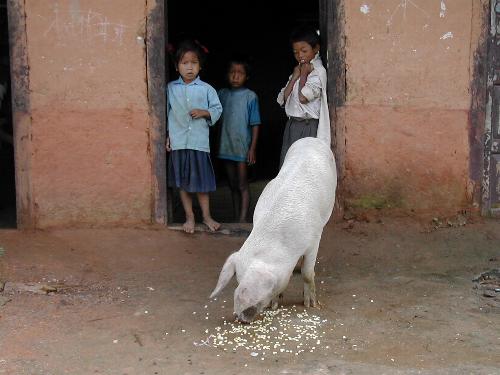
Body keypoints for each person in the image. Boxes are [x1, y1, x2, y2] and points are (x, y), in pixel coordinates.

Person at [166, 40, 223, 233]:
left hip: (199, 143)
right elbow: (165, 114)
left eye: (194, 63)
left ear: (200, 66)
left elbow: (217, 109)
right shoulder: (170, 89)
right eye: (184, 63)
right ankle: (189, 217)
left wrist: (204, 112)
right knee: (182, 183)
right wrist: (167, 137)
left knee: (201, 184)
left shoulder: (207, 89)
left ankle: (206, 217)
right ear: (176, 66)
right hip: (179, 142)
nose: (189, 67)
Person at [277, 26, 331, 168]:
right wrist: (295, 76)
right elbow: (283, 98)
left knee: (305, 168)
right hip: (293, 126)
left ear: (316, 48)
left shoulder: (317, 72)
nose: (300, 55)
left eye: (304, 50)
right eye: (295, 52)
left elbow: (303, 98)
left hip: (308, 126)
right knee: (289, 167)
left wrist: (303, 76)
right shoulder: (299, 70)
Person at [217, 57, 261, 222]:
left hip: (242, 148)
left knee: (242, 185)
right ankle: (237, 218)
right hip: (226, 146)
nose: (235, 76)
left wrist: (252, 149)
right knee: (232, 185)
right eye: (232, 73)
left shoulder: (250, 96)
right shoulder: (222, 94)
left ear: (246, 77)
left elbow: (255, 124)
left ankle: (242, 221)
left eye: (240, 73)